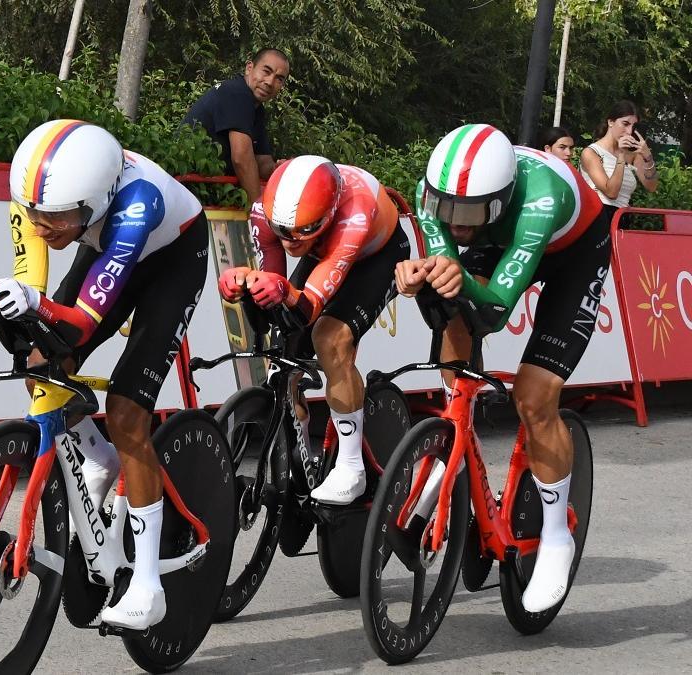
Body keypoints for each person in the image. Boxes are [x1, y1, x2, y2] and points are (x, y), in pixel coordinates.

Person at [0, 119, 208, 630]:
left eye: (54, 217)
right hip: (104, 245)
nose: (40, 225)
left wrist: (37, 305)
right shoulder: (39, 197)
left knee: (126, 412)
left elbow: (81, 324)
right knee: (41, 361)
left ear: (92, 204)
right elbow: (31, 283)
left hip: (172, 262)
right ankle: (97, 457)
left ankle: (147, 583)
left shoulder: (136, 205)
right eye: (33, 213)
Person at [395, 124, 607, 613]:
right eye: (446, 209)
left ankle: (556, 537)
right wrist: (418, 276)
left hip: (574, 253)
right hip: (501, 235)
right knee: (451, 310)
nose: (455, 223)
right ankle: (455, 440)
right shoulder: (434, 196)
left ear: (500, 201)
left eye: (467, 214)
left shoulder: (539, 201)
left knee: (533, 397)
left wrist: (459, 276)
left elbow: (495, 309)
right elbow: (448, 278)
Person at [217, 155, 408, 505]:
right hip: (323, 247)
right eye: (282, 231)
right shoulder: (266, 214)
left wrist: (285, 292)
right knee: (285, 348)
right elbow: (273, 290)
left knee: (330, 338)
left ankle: (351, 467)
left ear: (328, 215)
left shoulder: (354, 213)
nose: (291, 241)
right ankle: (300, 460)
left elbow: (308, 305)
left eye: (304, 230)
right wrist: (247, 283)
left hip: (376, 255)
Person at [183, 48, 290, 208]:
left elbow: (262, 162)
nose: (269, 82)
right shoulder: (237, 93)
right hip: (192, 193)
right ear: (249, 68)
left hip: (210, 193)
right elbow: (242, 158)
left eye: (279, 79)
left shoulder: (256, 109)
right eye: (266, 71)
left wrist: (277, 168)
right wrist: (258, 210)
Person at [579, 100, 659, 220]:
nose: (629, 131)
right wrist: (621, 155)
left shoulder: (633, 155)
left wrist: (648, 157)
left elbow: (652, 186)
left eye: (633, 126)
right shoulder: (591, 153)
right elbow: (611, 192)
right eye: (625, 124)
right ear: (611, 122)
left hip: (622, 217)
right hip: (598, 216)